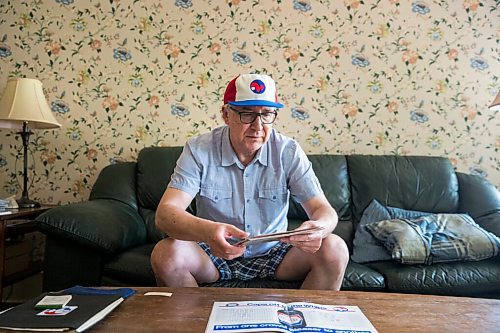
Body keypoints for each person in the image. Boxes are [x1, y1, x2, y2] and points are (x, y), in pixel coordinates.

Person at [150, 73, 349, 290]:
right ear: (226, 114)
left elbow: (324, 210)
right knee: (165, 254)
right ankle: (195, 323)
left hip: (276, 253)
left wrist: (319, 228)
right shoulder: (199, 150)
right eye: (247, 114)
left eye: (266, 114)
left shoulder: (288, 151)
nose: (258, 126)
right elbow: (165, 215)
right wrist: (208, 232)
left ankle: (305, 321)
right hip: (213, 252)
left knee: (335, 248)